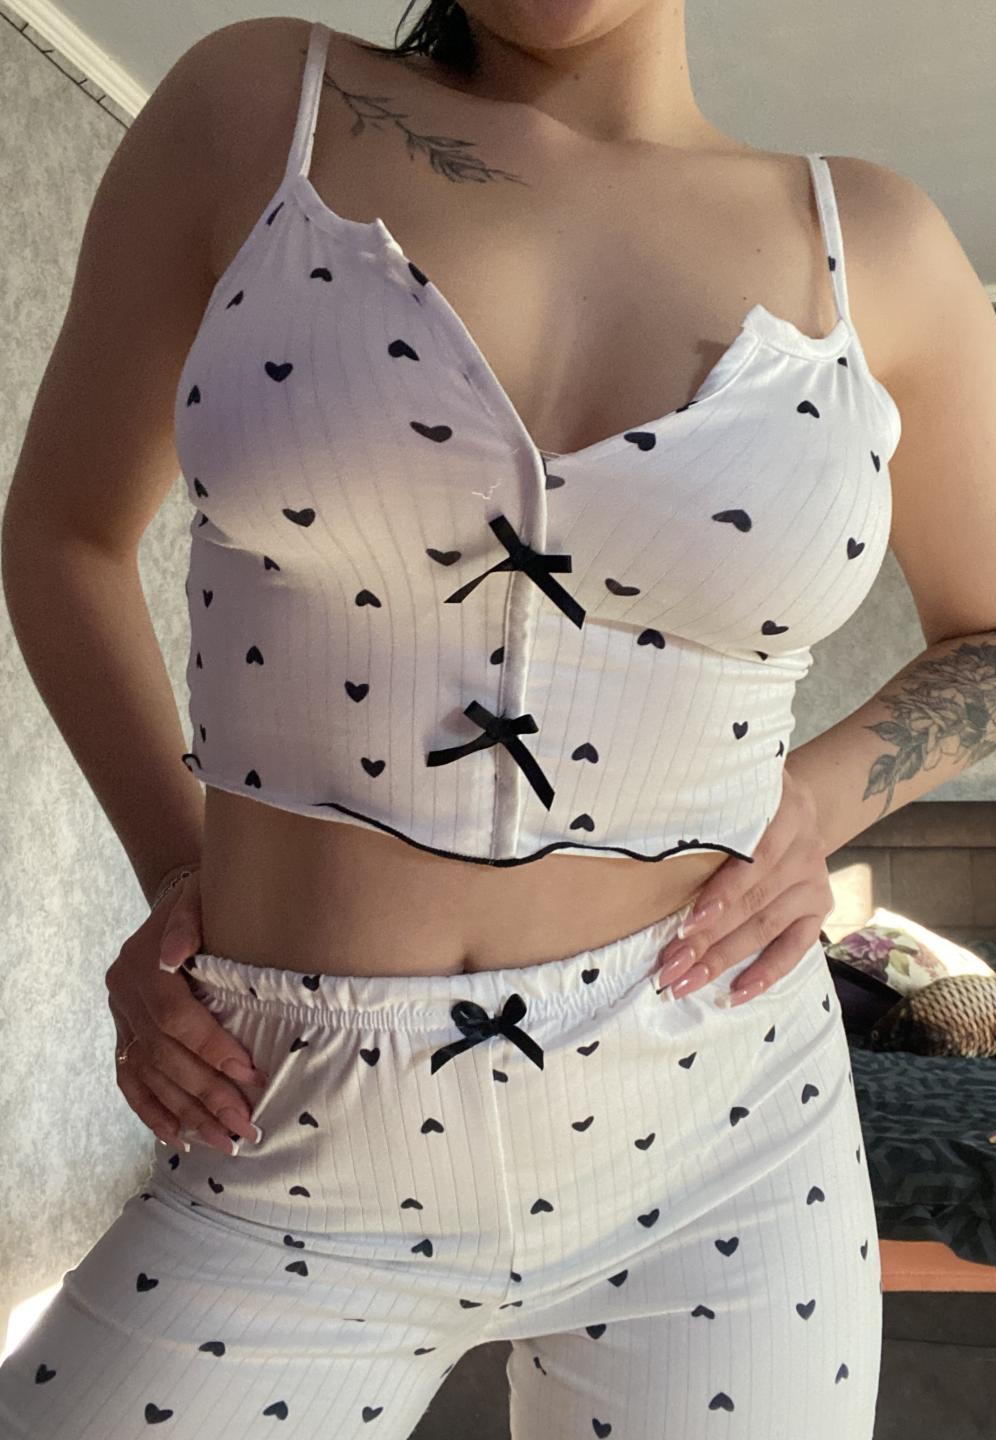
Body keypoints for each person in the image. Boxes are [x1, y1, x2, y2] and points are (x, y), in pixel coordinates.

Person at [0, 4, 889, 1435]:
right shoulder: (259, 108)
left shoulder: (868, 240)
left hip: (723, 1135)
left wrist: (822, 802)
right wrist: (174, 870)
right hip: (284, 1118)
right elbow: (62, 534)